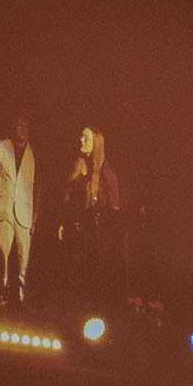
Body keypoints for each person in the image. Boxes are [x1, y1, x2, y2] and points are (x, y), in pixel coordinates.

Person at [57, 126, 124, 306]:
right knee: (72, 271)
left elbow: (114, 207)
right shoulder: (78, 166)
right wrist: (64, 222)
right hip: (76, 230)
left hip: (95, 234)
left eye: (86, 138)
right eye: (81, 136)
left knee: (90, 274)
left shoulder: (105, 170)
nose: (81, 140)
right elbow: (69, 198)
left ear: (96, 142)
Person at [0, 116, 36, 305]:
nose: (22, 129)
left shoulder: (34, 152)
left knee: (24, 258)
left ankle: (23, 297)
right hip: (4, 206)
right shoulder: (2, 146)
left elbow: (38, 186)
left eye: (26, 126)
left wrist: (36, 216)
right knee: (1, 254)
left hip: (25, 211)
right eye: (19, 125)